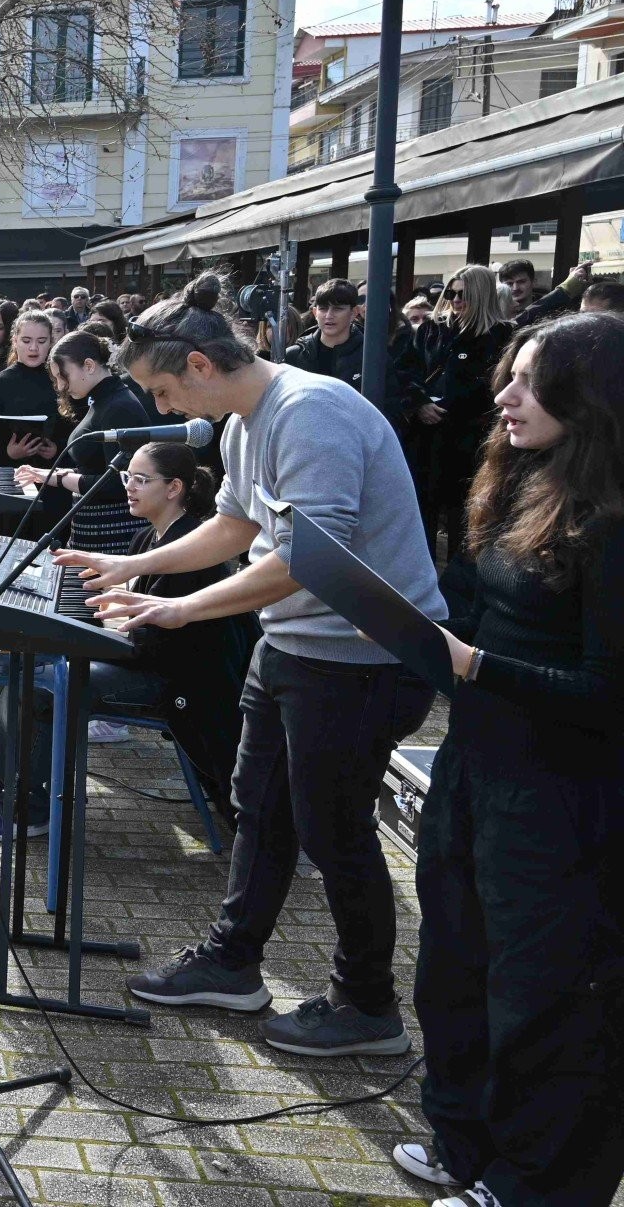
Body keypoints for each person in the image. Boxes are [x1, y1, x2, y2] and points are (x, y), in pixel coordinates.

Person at [59, 284, 441, 1057]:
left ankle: (368, 1005)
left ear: (201, 364)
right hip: (295, 648)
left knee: (336, 834)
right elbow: (233, 526)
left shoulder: (312, 414)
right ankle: (235, 961)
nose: (166, 408)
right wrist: (134, 563)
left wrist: (180, 608)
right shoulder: (242, 426)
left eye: (165, 391)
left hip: (362, 659)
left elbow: (307, 560)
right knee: (259, 808)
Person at [381, 314, 624, 1207]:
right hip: (477, 765)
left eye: (529, 380)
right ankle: (464, 1140)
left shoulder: (612, 520)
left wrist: (476, 663)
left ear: (589, 396)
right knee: (453, 965)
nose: (504, 396)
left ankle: (529, 1182)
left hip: (560, 796)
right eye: (508, 376)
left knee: (542, 997)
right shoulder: (522, 478)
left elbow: (605, 687)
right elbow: (483, 606)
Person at [83, 442, 255, 825]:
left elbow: (154, 646)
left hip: (182, 684)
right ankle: (23, 790)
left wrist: (86, 629)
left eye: (141, 479)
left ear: (174, 487)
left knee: (53, 681)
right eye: (128, 477)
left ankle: (29, 802)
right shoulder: (147, 538)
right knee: (48, 666)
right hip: (159, 663)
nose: (129, 486)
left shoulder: (187, 546)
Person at [15, 329, 150, 553]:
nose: (60, 386)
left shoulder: (118, 406)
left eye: (63, 376)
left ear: (88, 366)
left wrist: (58, 479)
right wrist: (49, 476)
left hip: (113, 536)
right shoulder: (103, 399)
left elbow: (119, 483)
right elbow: (94, 468)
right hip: (95, 530)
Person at [420, 264, 515, 559]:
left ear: (481, 295)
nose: (456, 300)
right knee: (424, 508)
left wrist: (446, 406)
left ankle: (458, 583)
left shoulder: (500, 335)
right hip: (426, 433)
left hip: (469, 438)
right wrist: (419, 402)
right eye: (452, 293)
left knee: (465, 513)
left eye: (464, 294)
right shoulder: (434, 329)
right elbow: (409, 370)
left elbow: (491, 387)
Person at [0, 310, 60, 468]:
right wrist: (8, 453)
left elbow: (73, 433)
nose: (34, 348)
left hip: (52, 479)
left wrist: (57, 450)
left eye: (41, 341)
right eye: (26, 341)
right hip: (8, 478)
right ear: (15, 341)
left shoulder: (60, 382)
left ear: (51, 342)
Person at [282, 279, 366, 391]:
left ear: (354, 312)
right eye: (323, 308)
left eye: (338, 309)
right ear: (315, 312)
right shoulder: (294, 356)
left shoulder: (370, 358)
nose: (329, 315)